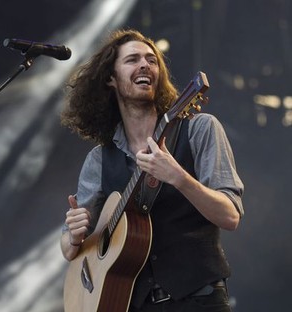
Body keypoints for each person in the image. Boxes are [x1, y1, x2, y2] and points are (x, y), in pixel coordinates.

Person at [60, 29, 244, 312]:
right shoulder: (99, 159)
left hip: (199, 300)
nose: (145, 65)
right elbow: (70, 249)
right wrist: (73, 236)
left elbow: (230, 216)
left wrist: (179, 177)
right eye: (132, 60)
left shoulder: (200, 129)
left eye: (152, 60)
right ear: (111, 78)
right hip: (133, 303)